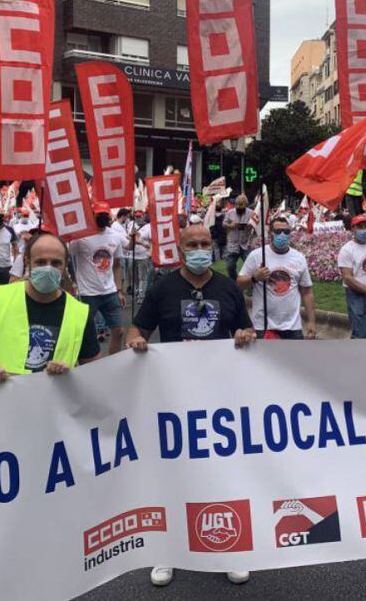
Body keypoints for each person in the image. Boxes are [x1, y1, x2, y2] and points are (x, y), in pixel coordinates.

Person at [125, 224, 255, 589]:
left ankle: (230, 545)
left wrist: (245, 336)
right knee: (174, 472)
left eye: (204, 244)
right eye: (191, 244)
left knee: (221, 472)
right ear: (180, 249)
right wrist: (135, 344)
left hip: (220, 400)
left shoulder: (228, 288)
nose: (199, 249)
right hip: (172, 398)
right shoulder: (163, 288)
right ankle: (169, 548)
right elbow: (138, 331)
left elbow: (243, 332)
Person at [0, 233, 101, 379]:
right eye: (41, 262)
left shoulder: (79, 313)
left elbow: (95, 370)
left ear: (65, 265)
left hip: (53, 404)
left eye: (56, 263)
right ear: (27, 262)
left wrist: (69, 375)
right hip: (2, 400)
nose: (48, 268)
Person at [237, 216, 315, 340]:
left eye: (286, 231)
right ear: (270, 233)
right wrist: (255, 278)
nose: (283, 235)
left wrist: (311, 322)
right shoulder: (257, 256)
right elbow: (239, 284)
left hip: (292, 327)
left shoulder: (299, 258)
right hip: (263, 326)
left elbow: (307, 292)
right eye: (278, 231)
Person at [67, 202, 126, 355]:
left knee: (119, 331)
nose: (102, 217)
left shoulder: (115, 237)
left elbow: (117, 265)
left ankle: (112, 363)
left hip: (110, 292)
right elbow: (67, 257)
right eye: (99, 214)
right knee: (83, 335)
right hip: (87, 294)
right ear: (91, 216)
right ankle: (86, 363)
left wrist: (119, 290)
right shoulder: (80, 237)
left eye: (105, 215)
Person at [337, 215, 366, 339]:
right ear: (353, 229)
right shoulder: (346, 250)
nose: (364, 230)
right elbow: (347, 278)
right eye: (360, 227)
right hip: (357, 297)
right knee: (360, 335)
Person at [222, 194, 253, 279]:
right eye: (237, 205)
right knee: (230, 266)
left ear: (246, 204)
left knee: (251, 265)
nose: (239, 207)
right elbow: (224, 224)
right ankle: (234, 281)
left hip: (246, 243)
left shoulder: (251, 213)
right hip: (233, 243)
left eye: (241, 205)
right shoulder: (230, 212)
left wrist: (250, 226)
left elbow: (255, 224)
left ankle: (249, 282)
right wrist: (230, 225)